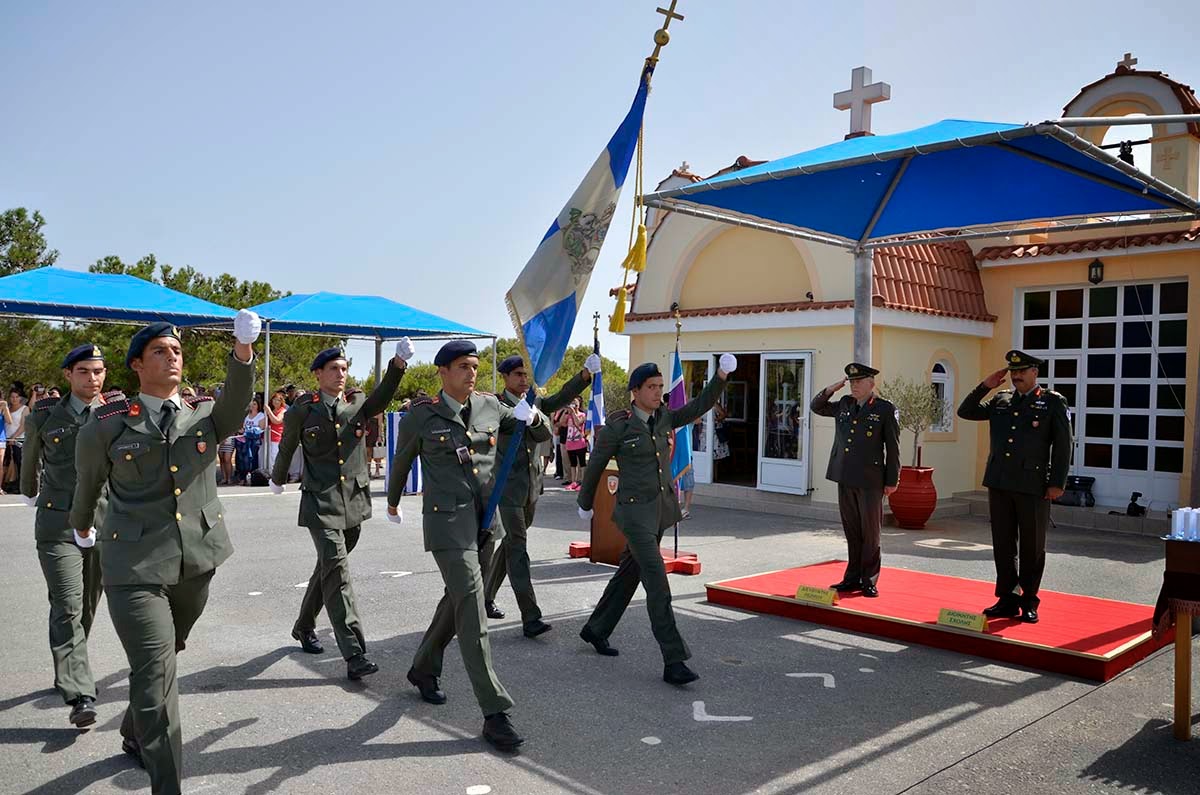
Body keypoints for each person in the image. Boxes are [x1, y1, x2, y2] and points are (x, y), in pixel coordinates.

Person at [70, 311, 260, 795]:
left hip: (196, 560)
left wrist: (242, 353)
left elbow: (237, 406)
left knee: (166, 655)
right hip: (132, 565)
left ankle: (136, 729)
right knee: (156, 673)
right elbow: (88, 484)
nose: (171, 357)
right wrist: (81, 528)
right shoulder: (107, 423)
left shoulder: (204, 415)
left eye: (176, 351)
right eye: (160, 351)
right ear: (136, 365)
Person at [386, 339, 540, 752]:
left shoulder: (491, 407)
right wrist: (393, 501)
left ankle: (422, 667)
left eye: (474, 366)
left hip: (484, 521)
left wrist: (533, 414)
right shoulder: (422, 415)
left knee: (456, 602)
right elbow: (401, 461)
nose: (471, 373)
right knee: (472, 606)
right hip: (447, 525)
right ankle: (494, 712)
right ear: (442, 373)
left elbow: (533, 430)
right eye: (462, 367)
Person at [576, 354, 736, 685]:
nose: (659, 393)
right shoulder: (618, 427)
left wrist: (720, 376)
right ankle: (673, 659)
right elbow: (594, 467)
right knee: (657, 583)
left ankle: (596, 628)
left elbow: (698, 406)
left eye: (661, 387)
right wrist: (585, 503)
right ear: (635, 391)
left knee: (628, 574)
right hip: (634, 515)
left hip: (659, 511)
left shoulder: (664, 417)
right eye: (652, 387)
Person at [270, 340, 411, 675]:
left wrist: (397, 365)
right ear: (318, 373)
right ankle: (354, 653)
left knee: (329, 569)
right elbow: (288, 446)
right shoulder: (303, 410)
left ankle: (305, 625)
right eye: (333, 369)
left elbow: (383, 397)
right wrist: (277, 479)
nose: (340, 375)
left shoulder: (356, 403)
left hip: (353, 502)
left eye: (344, 369)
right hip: (320, 501)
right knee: (339, 572)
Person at [20, 344, 116, 728]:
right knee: (68, 604)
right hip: (57, 524)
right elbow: (29, 461)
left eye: (98, 371)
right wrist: (29, 492)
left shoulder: (114, 414)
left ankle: (69, 664)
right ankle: (79, 693)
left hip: (103, 523)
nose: (92, 379)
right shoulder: (45, 416)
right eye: (83, 371)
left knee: (88, 605)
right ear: (68, 375)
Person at [482, 353, 596, 635]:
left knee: (509, 546)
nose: (523, 379)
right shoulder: (496, 406)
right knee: (518, 550)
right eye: (518, 375)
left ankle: (484, 598)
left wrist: (583, 376)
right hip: (507, 490)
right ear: (506, 377)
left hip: (531, 489)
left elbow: (559, 399)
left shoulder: (534, 401)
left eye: (525, 375)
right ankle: (530, 617)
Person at [957, 350, 1071, 624]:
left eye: (1022, 371)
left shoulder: (1053, 403)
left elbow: (1064, 446)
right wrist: (986, 385)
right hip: (1000, 482)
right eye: (1012, 372)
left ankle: (1029, 600)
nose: (1016, 376)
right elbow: (966, 411)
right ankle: (1007, 598)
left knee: (1032, 546)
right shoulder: (1001, 399)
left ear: (1035, 373)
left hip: (1033, 485)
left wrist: (1057, 483)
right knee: (1004, 544)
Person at [810, 363, 901, 598]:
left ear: (871, 383)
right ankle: (851, 578)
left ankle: (869, 580)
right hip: (845, 476)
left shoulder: (884, 409)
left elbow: (893, 448)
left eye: (858, 382)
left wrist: (892, 480)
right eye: (851, 382)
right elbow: (816, 406)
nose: (854, 386)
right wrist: (833, 387)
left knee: (870, 533)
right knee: (851, 530)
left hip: (871, 480)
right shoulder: (844, 405)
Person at [3, 385, 28, 493]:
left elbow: (24, 425)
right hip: (5, 439)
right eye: (12, 397)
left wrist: (14, 437)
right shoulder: (6, 407)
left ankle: (21, 486)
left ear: (20, 398)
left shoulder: (25, 408)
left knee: (19, 463)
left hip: (19, 440)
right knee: (6, 464)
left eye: (16, 397)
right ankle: (7, 483)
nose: (14, 399)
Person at [563, 397, 589, 491]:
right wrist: (566, 412)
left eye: (575, 402)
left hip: (580, 442)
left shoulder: (582, 415)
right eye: (572, 402)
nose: (573, 404)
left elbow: (578, 423)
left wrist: (574, 412)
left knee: (582, 463)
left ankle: (582, 481)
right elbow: (562, 423)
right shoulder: (568, 415)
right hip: (570, 443)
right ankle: (573, 482)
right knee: (572, 464)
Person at [265, 391, 286, 472]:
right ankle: (269, 474)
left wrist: (269, 411)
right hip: (267, 437)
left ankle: (276, 475)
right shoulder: (271, 409)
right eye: (274, 399)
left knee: (274, 457)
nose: (276, 402)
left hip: (277, 438)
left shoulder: (282, 411)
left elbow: (277, 421)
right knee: (268, 458)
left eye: (278, 400)